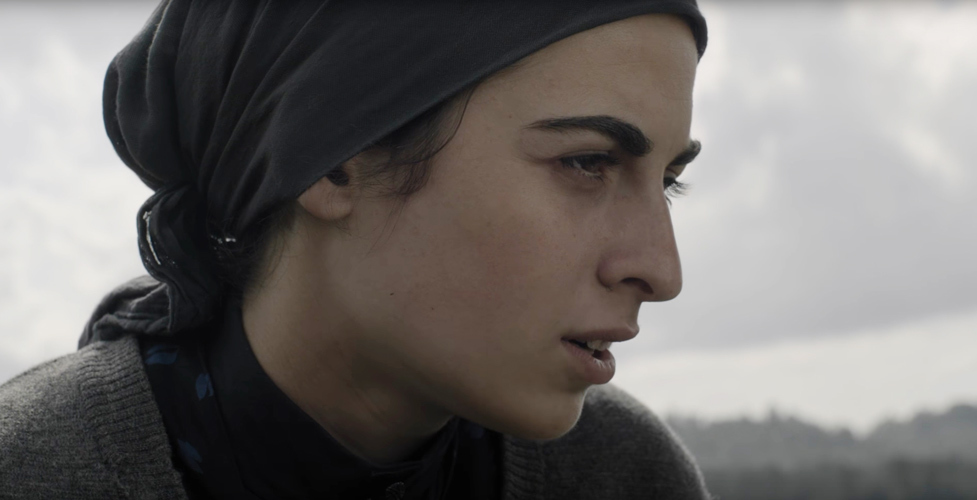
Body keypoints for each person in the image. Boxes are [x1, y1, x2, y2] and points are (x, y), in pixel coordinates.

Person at [0, 1, 711, 499]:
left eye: (669, 182)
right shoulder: (32, 475)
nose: (661, 271)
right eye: (587, 162)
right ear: (333, 159)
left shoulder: (626, 477)